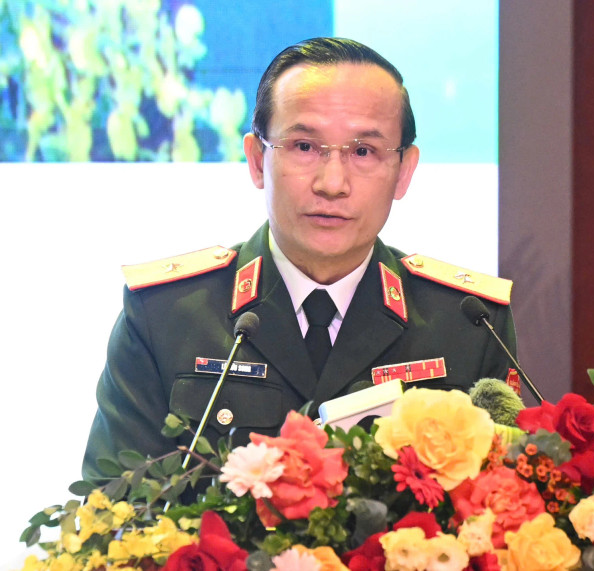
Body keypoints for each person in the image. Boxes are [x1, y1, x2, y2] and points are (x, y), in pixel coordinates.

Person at [83, 37, 518, 482]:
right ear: (256, 160)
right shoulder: (166, 315)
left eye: (364, 152)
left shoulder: (469, 323)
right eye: (305, 147)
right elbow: (111, 507)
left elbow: (508, 503)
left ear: (404, 171)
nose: (332, 183)